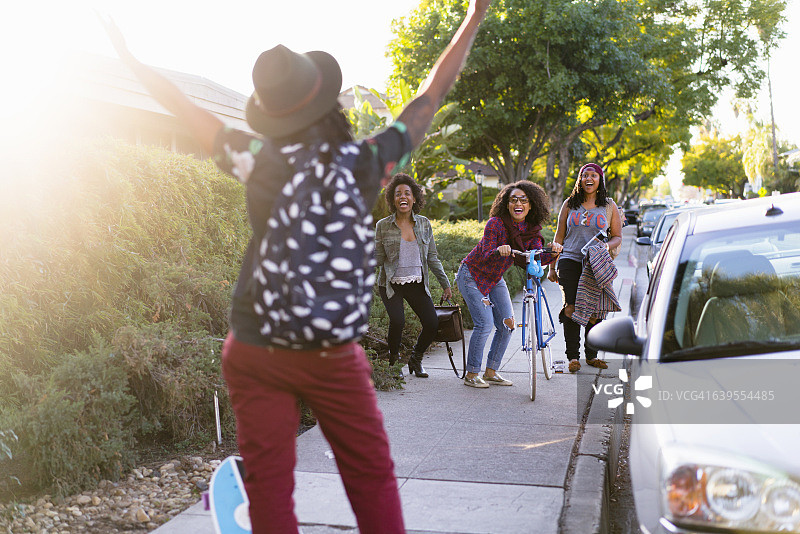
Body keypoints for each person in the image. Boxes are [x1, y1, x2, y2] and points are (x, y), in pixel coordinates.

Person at [100, 1, 491, 532]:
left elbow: (192, 116)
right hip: (330, 353)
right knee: (371, 479)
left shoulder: (255, 157)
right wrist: (474, 14)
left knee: (270, 492)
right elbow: (431, 95)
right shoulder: (365, 163)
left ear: (273, 112)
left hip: (257, 348)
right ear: (329, 104)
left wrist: (133, 62)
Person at [456, 181, 561, 388]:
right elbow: (486, 253)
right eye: (513, 200)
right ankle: (471, 374)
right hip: (472, 275)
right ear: (506, 204)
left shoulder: (530, 230)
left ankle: (491, 371)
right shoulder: (495, 223)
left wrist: (553, 252)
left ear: (531, 205)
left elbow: (534, 260)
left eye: (523, 200)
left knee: (507, 324)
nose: (518, 203)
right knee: (484, 323)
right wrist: (499, 249)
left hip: (495, 279)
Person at [375, 173, 452, 378]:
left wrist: (445, 284)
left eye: (407, 193)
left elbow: (433, 257)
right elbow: (377, 258)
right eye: (398, 194)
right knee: (398, 321)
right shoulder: (383, 226)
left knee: (432, 324)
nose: (403, 197)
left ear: (414, 198)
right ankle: (393, 362)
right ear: (393, 199)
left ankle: (415, 359)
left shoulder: (424, 224)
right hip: (390, 283)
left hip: (416, 282)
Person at [549, 163, 622, 373]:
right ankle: (573, 357)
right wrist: (552, 267)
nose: (588, 179)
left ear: (600, 180)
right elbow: (559, 236)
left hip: (596, 263)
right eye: (584, 175)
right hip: (570, 260)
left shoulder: (608, 205)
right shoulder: (569, 204)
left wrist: (605, 246)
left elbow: (617, 236)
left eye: (593, 175)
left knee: (595, 311)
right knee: (571, 308)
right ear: (580, 180)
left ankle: (592, 355)